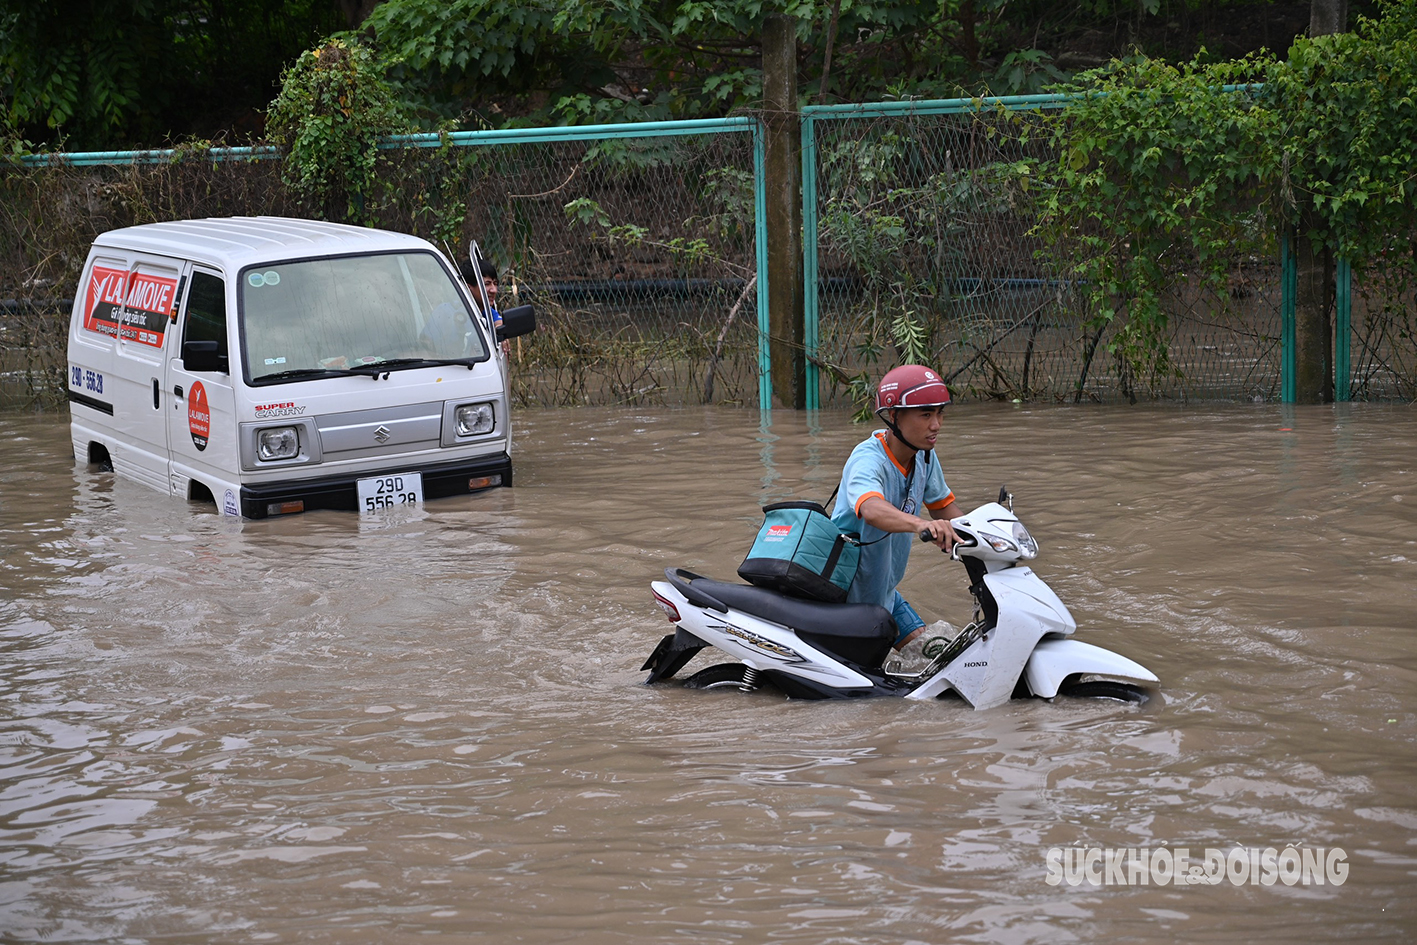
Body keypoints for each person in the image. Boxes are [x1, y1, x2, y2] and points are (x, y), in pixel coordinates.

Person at [830, 364, 962, 666]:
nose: (936, 425)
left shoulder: (924, 456)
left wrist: (988, 537)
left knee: (934, 662)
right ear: (894, 417)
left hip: (884, 594)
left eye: (940, 413)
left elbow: (944, 508)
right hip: (846, 599)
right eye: (926, 414)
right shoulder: (867, 459)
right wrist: (922, 525)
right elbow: (871, 508)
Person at [458, 257, 509, 354]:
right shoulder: (447, 312)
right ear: (468, 288)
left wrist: (501, 335)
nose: (494, 290)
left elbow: (498, 323)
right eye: (487, 284)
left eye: (495, 283)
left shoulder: (486, 311)